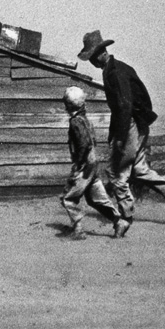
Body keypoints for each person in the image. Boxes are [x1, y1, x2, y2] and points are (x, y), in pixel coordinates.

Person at [77, 30, 165, 227]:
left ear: (102, 52)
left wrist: (120, 138)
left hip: (131, 125)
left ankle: (125, 218)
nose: (92, 62)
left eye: (93, 56)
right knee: (140, 170)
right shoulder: (112, 69)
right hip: (135, 124)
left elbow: (125, 105)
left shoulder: (116, 72)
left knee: (117, 172)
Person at [60, 86, 130, 239]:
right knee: (96, 198)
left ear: (68, 105)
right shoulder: (86, 120)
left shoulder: (75, 122)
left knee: (68, 197)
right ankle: (119, 221)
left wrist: (78, 164)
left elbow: (83, 144)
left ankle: (78, 229)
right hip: (93, 162)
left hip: (85, 163)